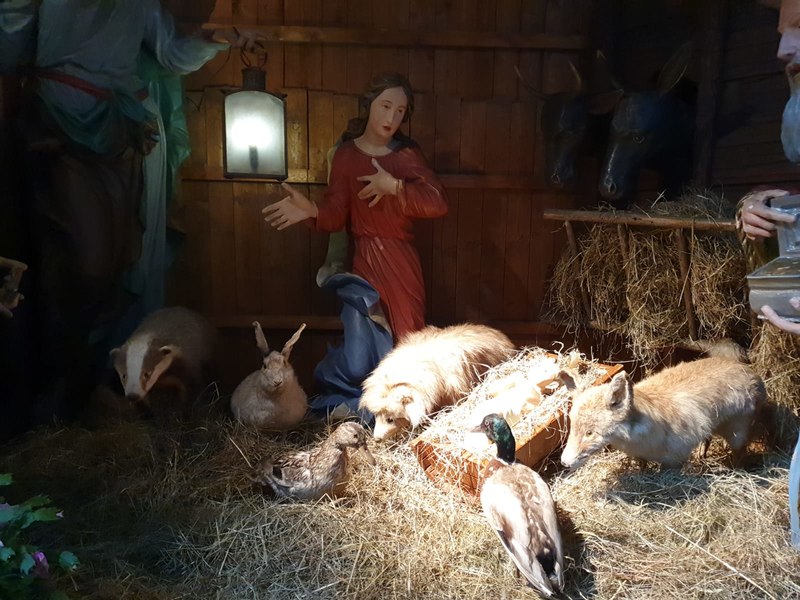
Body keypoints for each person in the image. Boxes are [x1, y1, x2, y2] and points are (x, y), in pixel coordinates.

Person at [0, 0, 264, 423]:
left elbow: (170, 52)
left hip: (116, 133)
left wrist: (219, 38)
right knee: (81, 265)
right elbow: (10, 44)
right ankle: (54, 391)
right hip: (61, 124)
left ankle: (88, 389)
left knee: (117, 262)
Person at [263, 72, 448, 341]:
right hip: (365, 261)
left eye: (399, 111)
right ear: (369, 104)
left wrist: (395, 187)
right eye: (385, 106)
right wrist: (312, 210)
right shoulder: (346, 155)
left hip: (401, 261)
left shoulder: (406, 156)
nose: (391, 118)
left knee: (407, 334)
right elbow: (336, 214)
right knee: (366, 337)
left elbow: (437, 203)